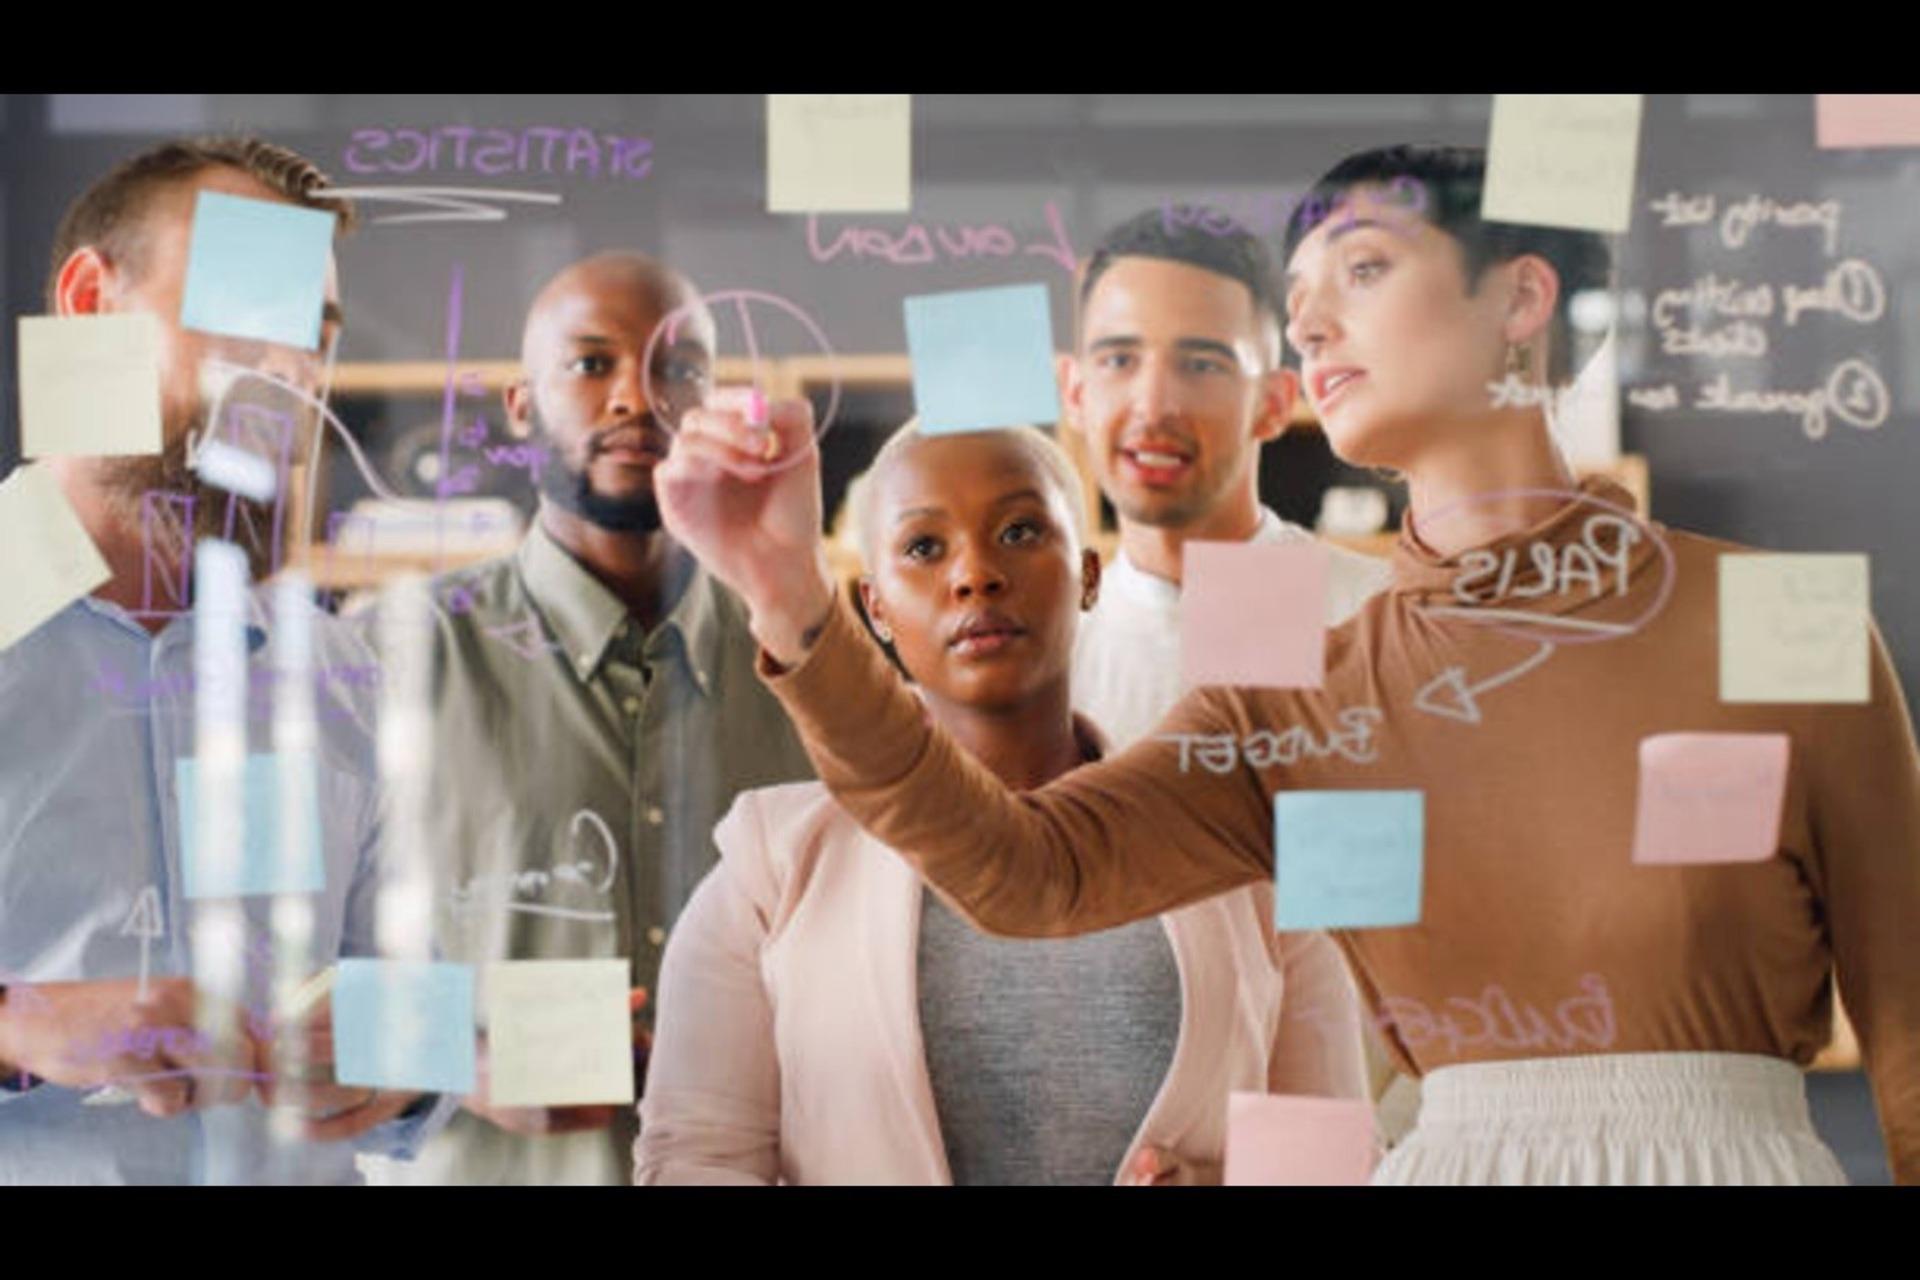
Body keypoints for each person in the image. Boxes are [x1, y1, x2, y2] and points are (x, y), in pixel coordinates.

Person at [653, 144, 1920, 1186]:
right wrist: (787, 594)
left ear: (1521, 301)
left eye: (1362, 269)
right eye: (1301, 297)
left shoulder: (1777, 613)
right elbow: (1020, 870)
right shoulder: (1297, 692)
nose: (1310, 321)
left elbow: (1910, 1029)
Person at [635, 421, 1368, 1185]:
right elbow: (696, 1158)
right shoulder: (771, 862)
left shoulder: (1241, 854)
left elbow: (1335, 1154)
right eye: (924, 548)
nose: (975, 573)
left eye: (1020, 531)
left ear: (1088, 575)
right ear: (874, 606)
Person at [0, 136, 452, 1184]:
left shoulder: (344, 675)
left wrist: (396, 1053)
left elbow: (420, 1011)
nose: (288, 370)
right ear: (88, 301)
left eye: (314, 335)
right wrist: (21, 1030)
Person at [355, 252, 815, 1186]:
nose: (633, 400)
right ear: (519, 407)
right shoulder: (385, 656)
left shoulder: (812, 669)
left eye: (676, 368)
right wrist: (464, 1065)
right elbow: (275, 976)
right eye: (589, 363)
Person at [1064, 207, 1389, 747]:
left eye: (1201, 365)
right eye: (1119, 360)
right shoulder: (1040, 661)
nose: (1153, 405)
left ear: (1274, 403)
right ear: (1075, 393)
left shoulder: (1380, 623)